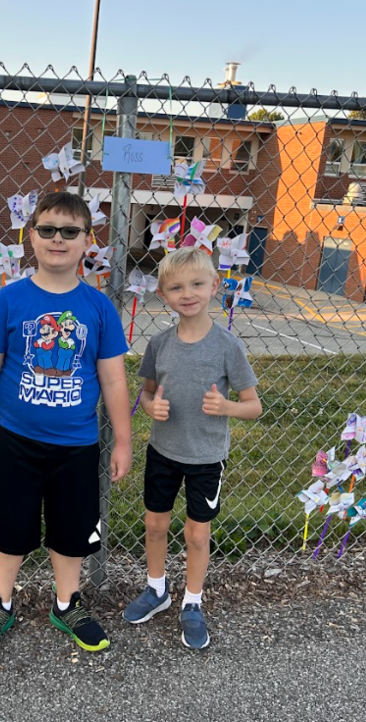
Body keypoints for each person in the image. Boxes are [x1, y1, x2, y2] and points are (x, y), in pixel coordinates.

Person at [0, 191, 132, 653]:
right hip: (17, 439)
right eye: (48, 230)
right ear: (30, 236)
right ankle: (0, 600)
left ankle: (67, 601)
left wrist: (123, 442)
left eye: (70, 231)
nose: (58, 239)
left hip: (76, 443)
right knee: (11, 524)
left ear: (87, 241)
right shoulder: (11, 300)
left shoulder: (98, 308)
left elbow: (114, 381)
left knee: (71, 528)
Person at [124, 246, 261, 649]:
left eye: (197, 284)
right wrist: (153, 408)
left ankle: (193, 602)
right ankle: (157, 590)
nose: (188, 293)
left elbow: (254, 405)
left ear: (215, 286)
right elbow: (145, 395)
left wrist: (228, 406)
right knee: (155, 525)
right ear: (163, 295)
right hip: (163, 452)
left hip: (205, 458)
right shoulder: (159, 344)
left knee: (197, 534)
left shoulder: (227, 346)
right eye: (176, 287)